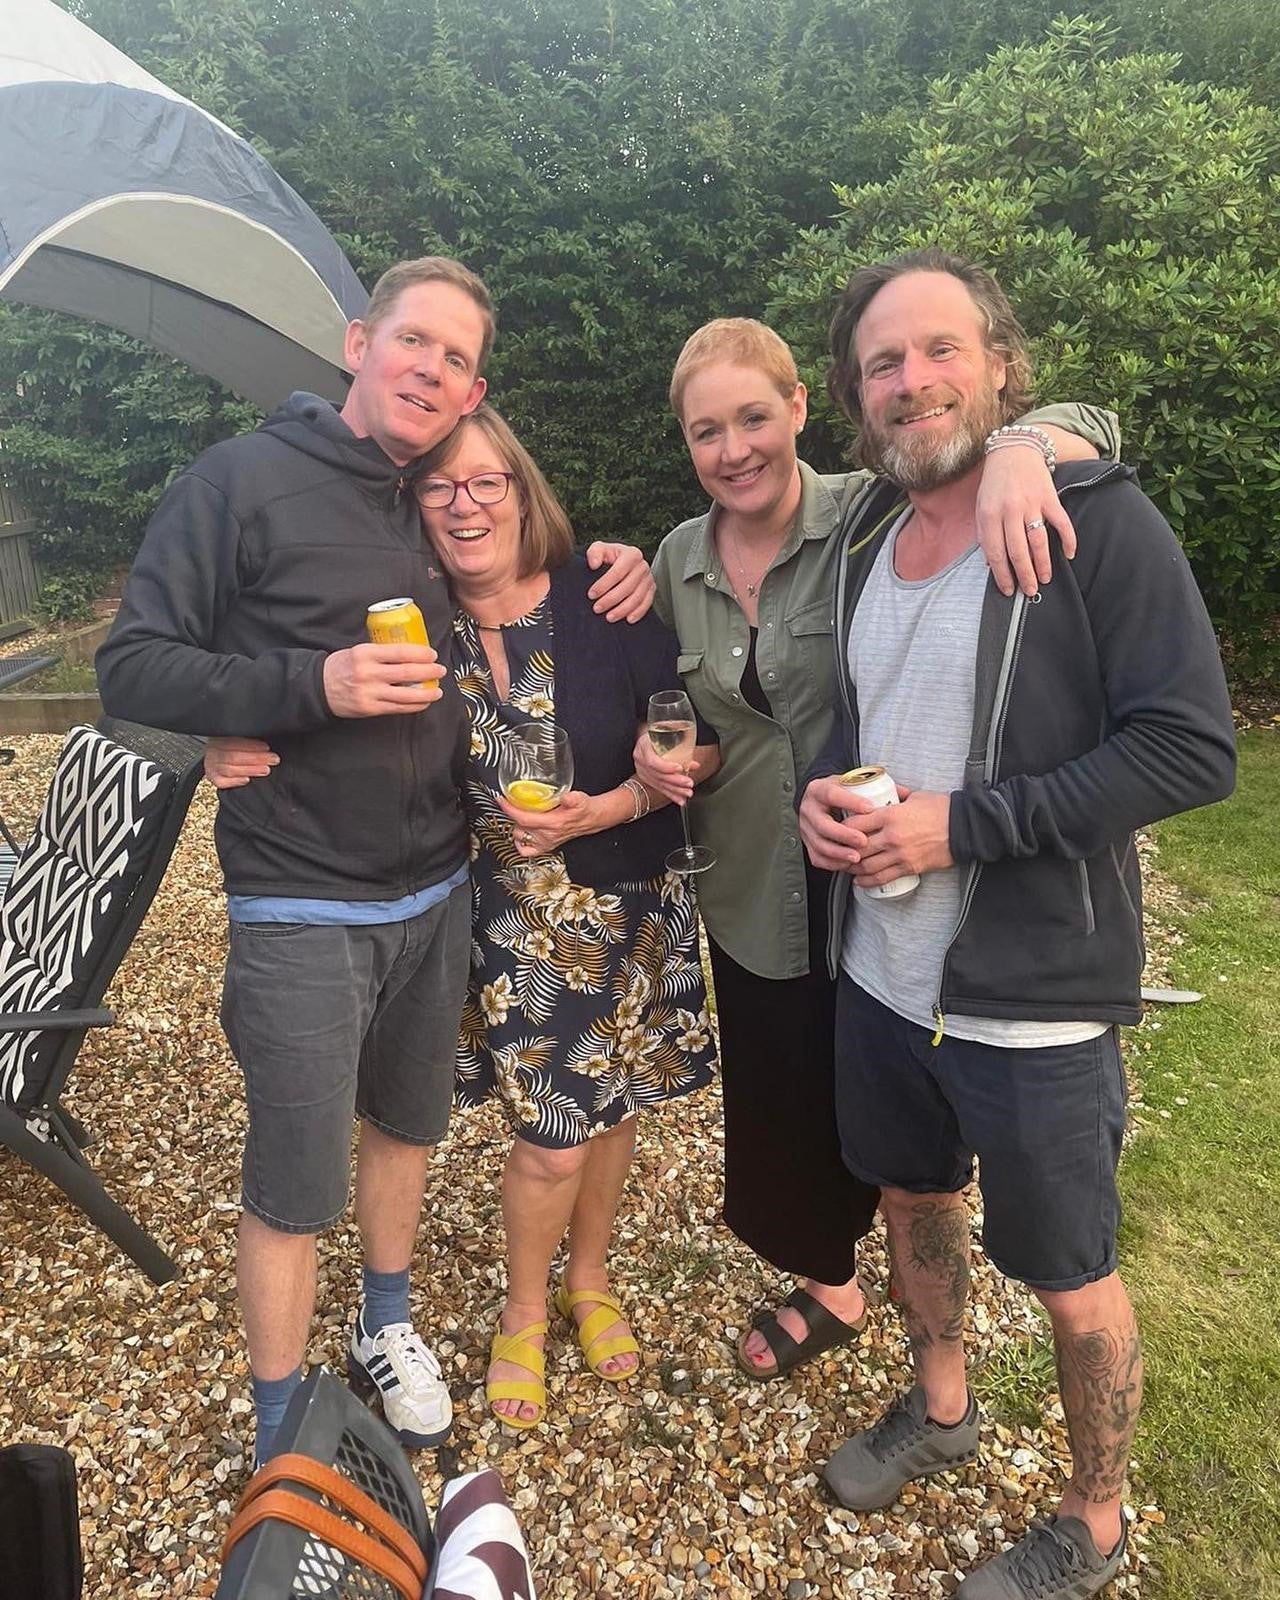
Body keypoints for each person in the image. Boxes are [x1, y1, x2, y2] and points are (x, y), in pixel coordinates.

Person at [95, 257, 651, 1466]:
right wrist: (300, 689)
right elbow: (131, 667)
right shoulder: (239, 482)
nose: (430, 370)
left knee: (404, 1126)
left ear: (474, 391)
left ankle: (383, 1324)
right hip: (300, 897)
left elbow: (523, 567)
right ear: (359, 343)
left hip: (437, 887)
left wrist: (627, 564)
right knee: (294, 1174)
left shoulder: (430, 500)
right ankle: (281, 1433)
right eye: (413, 341)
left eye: (457, 359)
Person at [797, 250, 1235, 1598]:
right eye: (882, 362)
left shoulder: (1095, 521)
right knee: (913, 1200)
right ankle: (941, 1410)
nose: (912, 380)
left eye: (940, 348)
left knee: (1069, 1272)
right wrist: (826, 794)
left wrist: (963, 826)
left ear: (1000, 363)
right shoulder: (866, 537)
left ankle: (1094, 1522)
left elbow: (1188, 749)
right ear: (856, 395)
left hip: (1032, 996)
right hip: (882, 972)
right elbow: (867, 712)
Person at [209, 404, 719, 1430]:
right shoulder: (409, 622)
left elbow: (690, 741)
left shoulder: (601, 597)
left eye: (487, 481)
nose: (464, 503)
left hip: (625, 903)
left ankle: (587, 1277)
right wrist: (226, 734)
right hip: (497, 921)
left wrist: (618, 800)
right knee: (550, 1136)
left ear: (523, 493)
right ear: (412, 507)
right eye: (438, 486)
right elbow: (290, 679)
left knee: (612, 1103)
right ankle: (523, 1309)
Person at [637, 315, 1119, 1382]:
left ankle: (922, 1297)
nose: (734, 450)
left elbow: (1091, 421)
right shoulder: (676, 559)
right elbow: (679, 706)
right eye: (706, 431)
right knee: (780, 1092)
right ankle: (829, 1278)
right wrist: (660, 734)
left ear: (799, 408)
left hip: (874, 876)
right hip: (748, 878)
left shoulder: (872, 510)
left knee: (879, 1092)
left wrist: (1019, 449)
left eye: (753, 418)